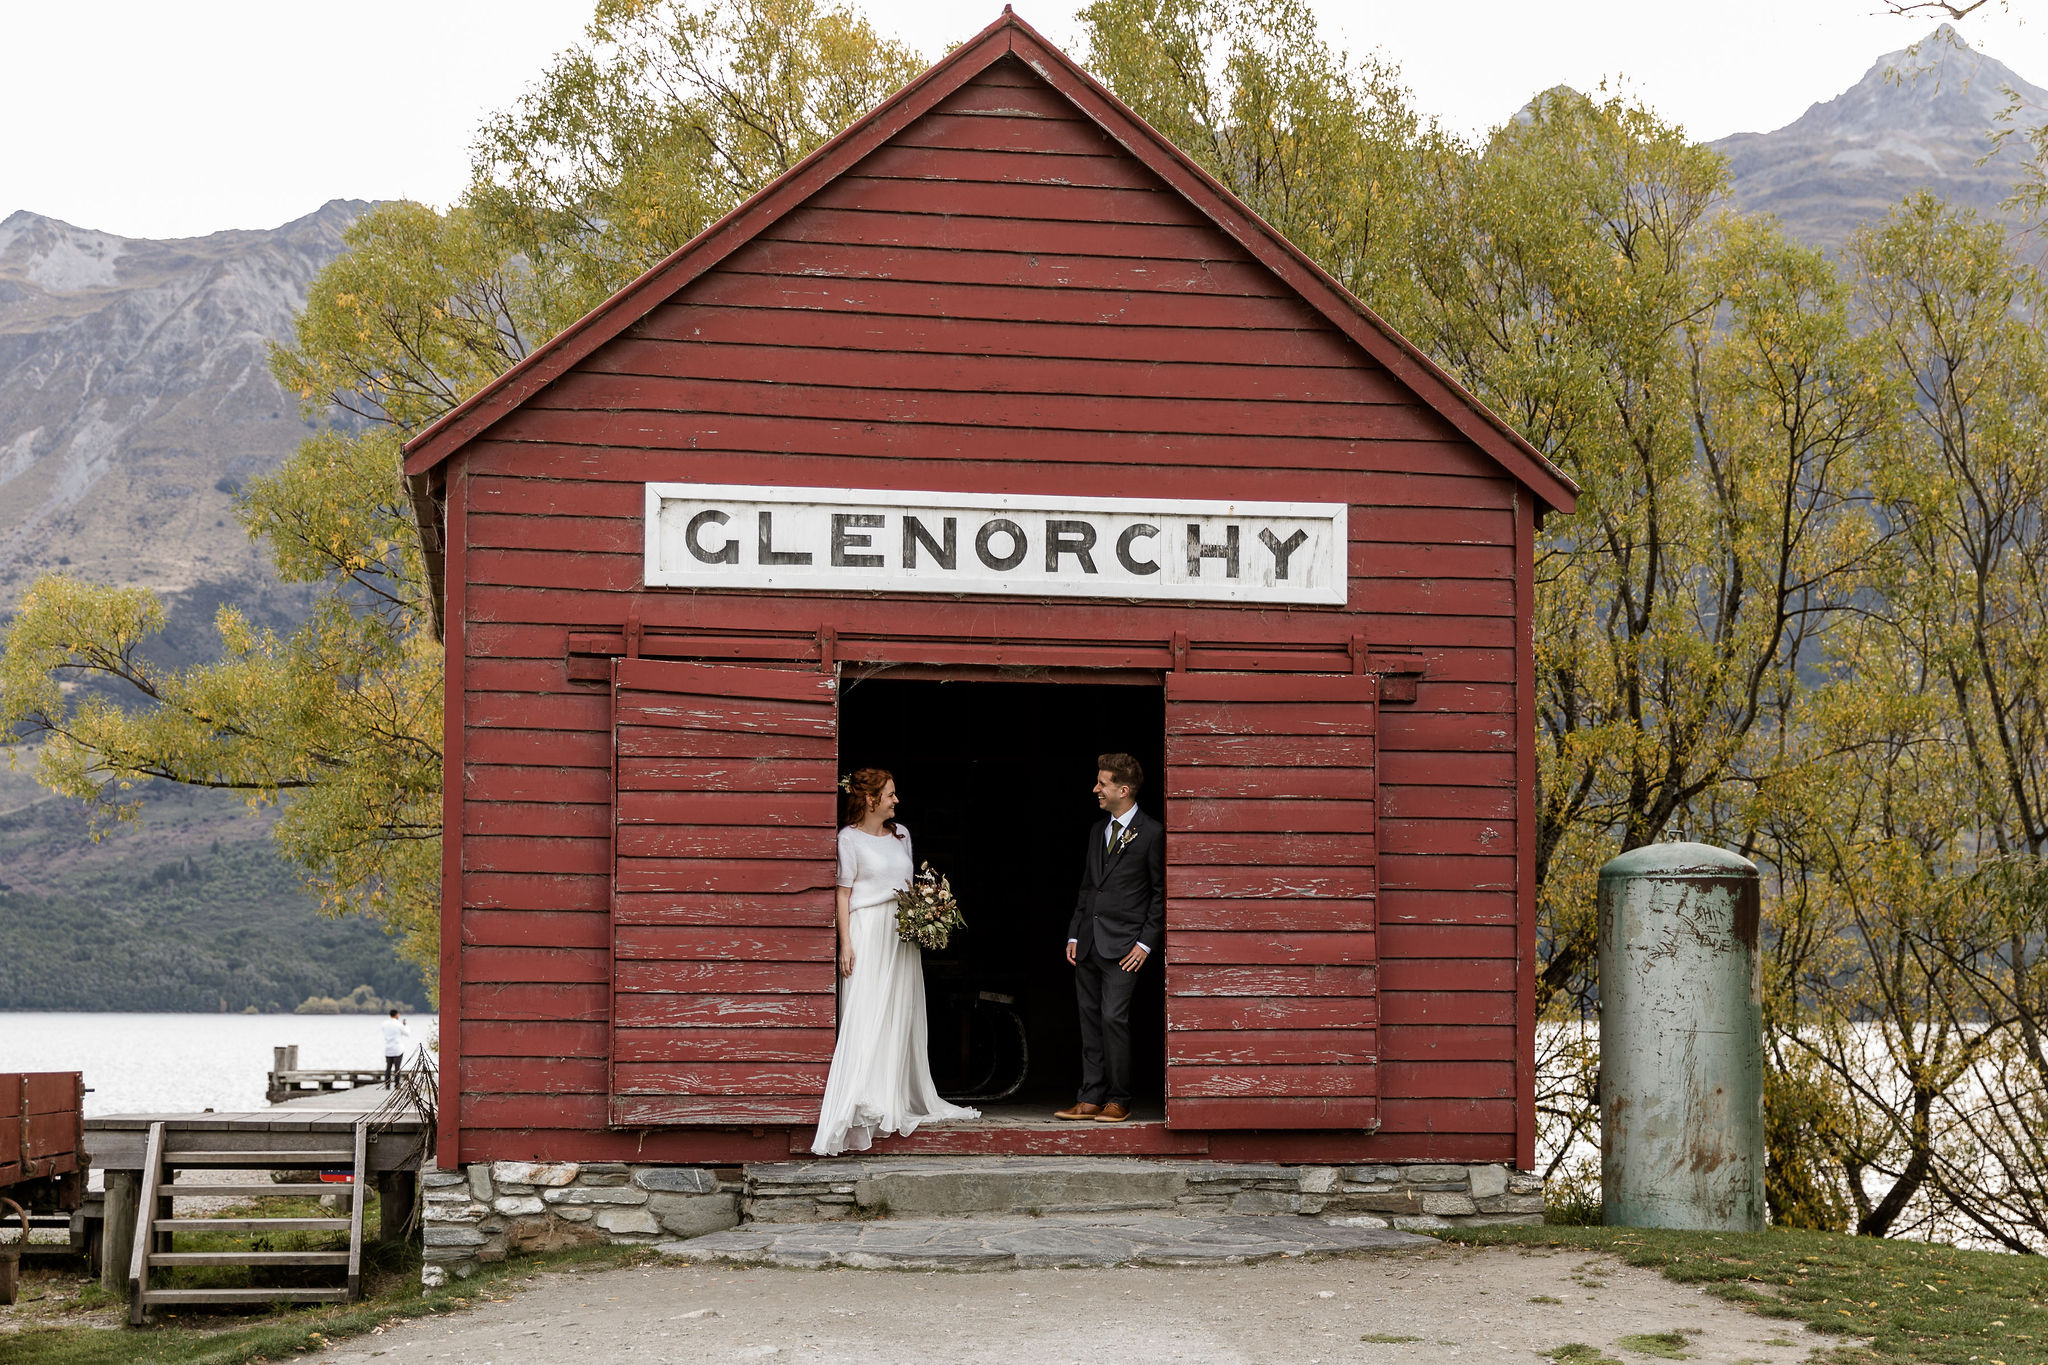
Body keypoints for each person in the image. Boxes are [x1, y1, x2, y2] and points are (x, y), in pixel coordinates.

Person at [811, 767, 980, 1155]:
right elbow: (843, 894)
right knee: (868, 1011)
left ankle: (894, 1095)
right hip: (868, 931)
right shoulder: (848, 839)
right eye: (890, 794)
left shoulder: (902, 835)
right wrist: (845, 944)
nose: (896, 800)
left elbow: (909, 886)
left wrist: (927, 912)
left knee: (898, 1014)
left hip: (901, 936)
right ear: (870, 800)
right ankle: (865, 1097)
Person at [1058, 752, 1164, 1124]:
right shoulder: (1096, 830)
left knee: (1112, 1019)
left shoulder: (1152, 833)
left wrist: (1145, 943)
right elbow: (1088, 888)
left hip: (1125, 948)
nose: (1095, 789)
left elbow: (1159, 892)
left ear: (1124, 789)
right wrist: (1074, 932)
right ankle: (1089, 1097)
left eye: (1101, 783)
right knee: (1088, 1020)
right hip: (1088, 942)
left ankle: (1119, 1099)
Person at [381, 1008, 411, 1086]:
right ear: (396, 1014)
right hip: (397, 1049)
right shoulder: (399, 1024)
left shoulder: (384, 1024)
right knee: (397, 1068)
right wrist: (406, 1025)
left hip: (388, 1049)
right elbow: (407, 1033)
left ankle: (387, 1085)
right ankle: (397, 1085)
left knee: (388, 1068)